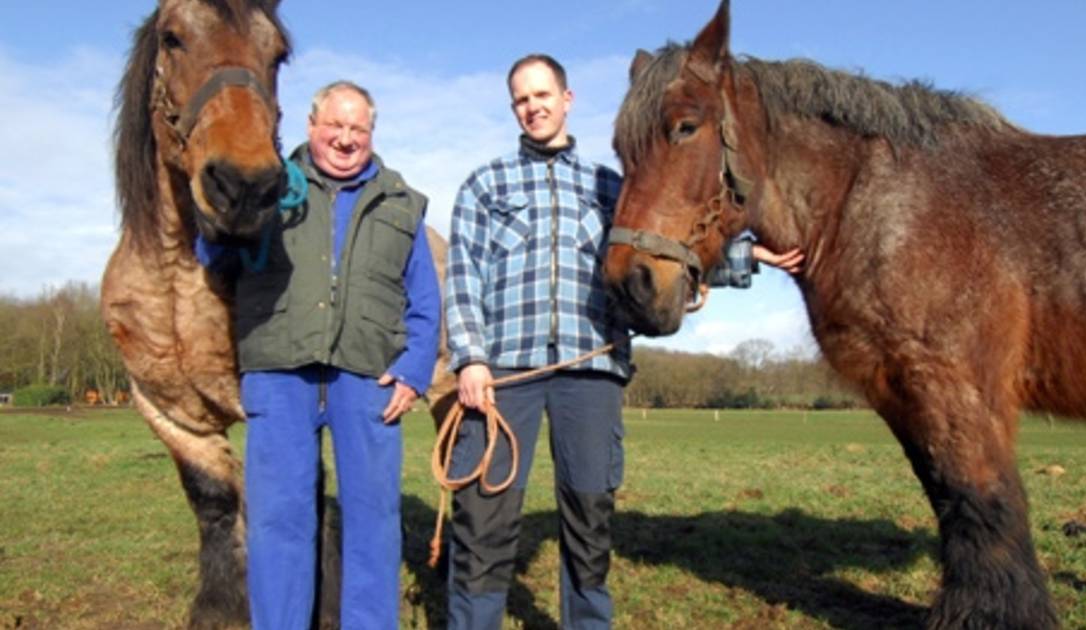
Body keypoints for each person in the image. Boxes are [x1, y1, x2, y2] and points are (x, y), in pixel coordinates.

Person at [443, 53, 796, 630]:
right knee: (484, 518)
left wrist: (746, 254)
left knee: (589, 518)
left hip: (593, 369)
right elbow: (463, 277)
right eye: (522, 100)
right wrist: (471, 359)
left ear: (566, 100)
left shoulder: (611, 186)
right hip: (504, 373)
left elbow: (666, 243)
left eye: (542, 95)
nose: (533, 107)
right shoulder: (485, 185)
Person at [199, 80, 440, 629]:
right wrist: (225, 213)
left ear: (372, 133)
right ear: (311, 126)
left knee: (374, 522)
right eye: (335, 125)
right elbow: (213, 256)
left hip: (370, 380)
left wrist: (413, 372)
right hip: (279, 375)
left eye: (358, 128)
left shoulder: (402, 204)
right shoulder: (268, 186)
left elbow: (425, 302)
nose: (346, 138)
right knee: (278, 521)